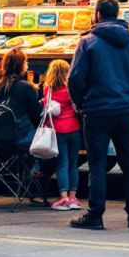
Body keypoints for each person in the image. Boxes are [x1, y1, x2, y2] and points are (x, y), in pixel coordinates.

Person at [68, 0, 129, 231]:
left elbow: (75, 79)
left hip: (96, 110)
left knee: (97, 164)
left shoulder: (87, 42)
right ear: (117, 14)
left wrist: (80, 102)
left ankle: (96, 215)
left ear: (97, 14)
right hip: (124, 110)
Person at [42, 59, 83, 211]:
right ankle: (73, 197)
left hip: (58, 131)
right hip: (74, 129)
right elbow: (76, 107)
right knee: (73, 164)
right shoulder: (70, 90)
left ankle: (63, 196)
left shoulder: (48, 90)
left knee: (62, 164)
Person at [0, 48, 40, 150]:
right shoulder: (26, 87)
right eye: (26, 61)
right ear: (21, 64)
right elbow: (36, 116)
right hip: (21, 137)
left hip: (0, 136)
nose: (27, 64)